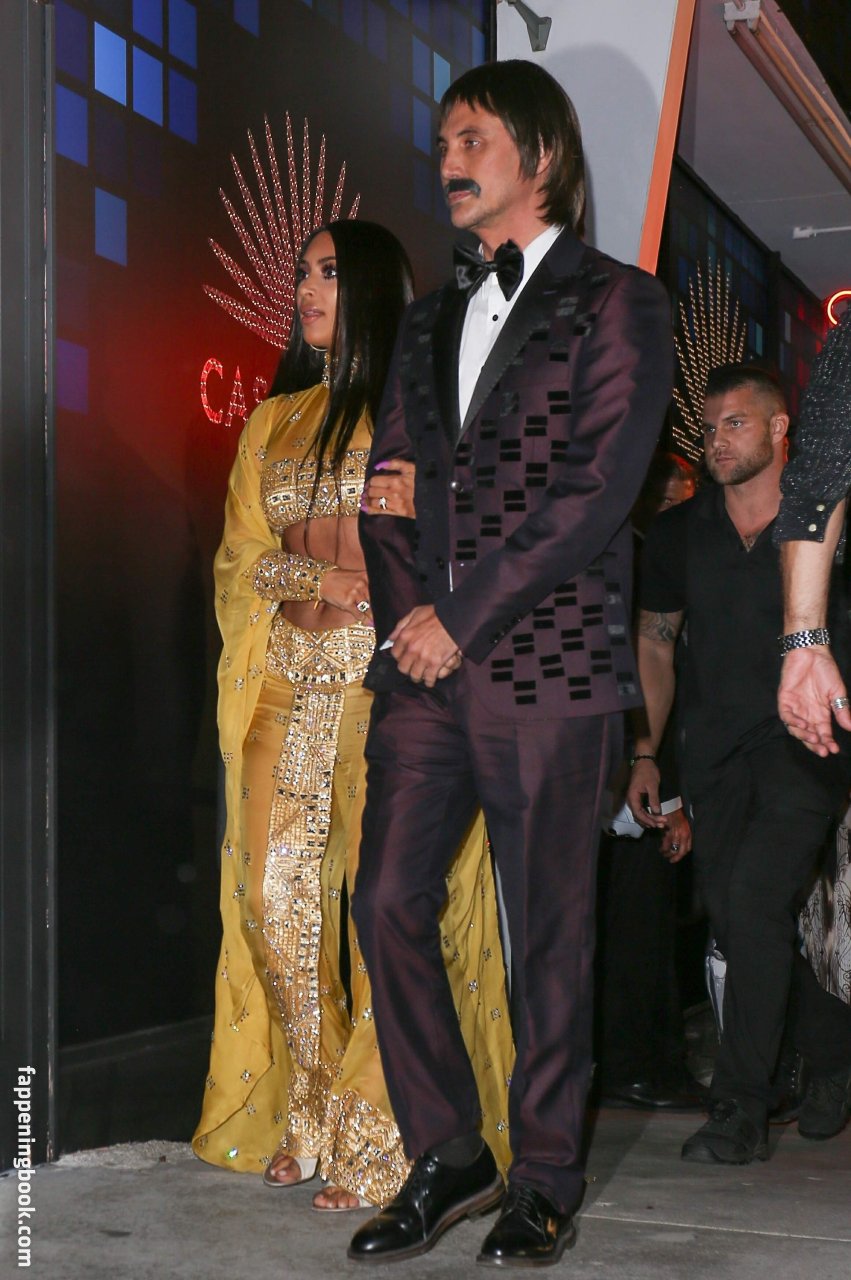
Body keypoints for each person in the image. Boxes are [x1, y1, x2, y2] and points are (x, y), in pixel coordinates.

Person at [347, 60, 673, 1267]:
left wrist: (461, 616)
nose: (447, 160)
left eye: (471, 138)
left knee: (546, 934)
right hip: (424, 672)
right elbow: (386, 485)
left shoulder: (619, 301)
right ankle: (447, 1148)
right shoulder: (427, 317)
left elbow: (595, 492)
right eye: (441, 141)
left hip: (547, 667)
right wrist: (409, 624)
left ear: (538, 153)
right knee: (385, 900)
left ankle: (541, 1174)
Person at [192, 220, 513, 1212]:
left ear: (373, 286)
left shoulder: (425, 409)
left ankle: (382, 1137)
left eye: (328, 272)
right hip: (284, 681)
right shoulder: (273, 421)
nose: (305, 288)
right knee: (273, 905)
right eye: (301, 272)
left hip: (388, 685)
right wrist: (319, 577)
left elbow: (469, 544)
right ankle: (309, 1109)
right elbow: (242, 557)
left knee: (389, 908)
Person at [627, 364, 851, 1165]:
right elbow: (655, 646)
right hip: (714, 753)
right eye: (708, 427)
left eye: (735, 423)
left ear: (780, 429)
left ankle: (737, 1108)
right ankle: (829, 1056)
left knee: (755, 899)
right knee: (739, 914)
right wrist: (645, 752)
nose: (716, 440)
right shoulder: (680, 533)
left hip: (807, 747)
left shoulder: (823, 516)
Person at [597, 451, 704, 1111]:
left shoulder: (642, 551)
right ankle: (636, 1062)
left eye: (681, 500)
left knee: (644, 917)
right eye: (664, 501)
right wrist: (653, 770)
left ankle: (638, 1059)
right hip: (635, 763)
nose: (674, 512)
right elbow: (644, 667)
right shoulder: (632, 558)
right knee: (636, 918)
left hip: (647, 758)